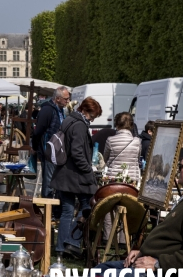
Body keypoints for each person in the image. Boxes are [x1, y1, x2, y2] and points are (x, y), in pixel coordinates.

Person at [95, 150, 183, 277]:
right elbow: (173, 238)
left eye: (181, 166)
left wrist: (157, 263)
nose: (177, 170)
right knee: (98, 271)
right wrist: (143, 252)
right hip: (157, 269)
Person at [50, 97, 102, 259]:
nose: (93, 119)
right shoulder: (79, 125)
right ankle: (72, 242)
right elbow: (77, 153)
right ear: (86, 111)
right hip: (76, 176)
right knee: (89, 206)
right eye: (93, 116)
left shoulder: (69, 120)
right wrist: (89, 171)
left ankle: (61, 247)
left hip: (64, 174)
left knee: (67, 211)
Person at [32, 86, 71, 203]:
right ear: (58, 98)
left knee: (55, 179)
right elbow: (38, 131)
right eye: (66, 99)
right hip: (49, 151)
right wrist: (35, 147)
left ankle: (53, 208)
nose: (68, 101)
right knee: (49, 181)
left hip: (57, 151)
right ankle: (47, 208)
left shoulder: (59, 109)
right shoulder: (47, 110)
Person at [103, 112, 142, 182]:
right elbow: (137, 159)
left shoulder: (110, 140)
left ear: (117, 125)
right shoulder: (137, 141)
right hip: (132, 178)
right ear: (132, 125)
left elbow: (105, 158)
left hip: (113, 177)